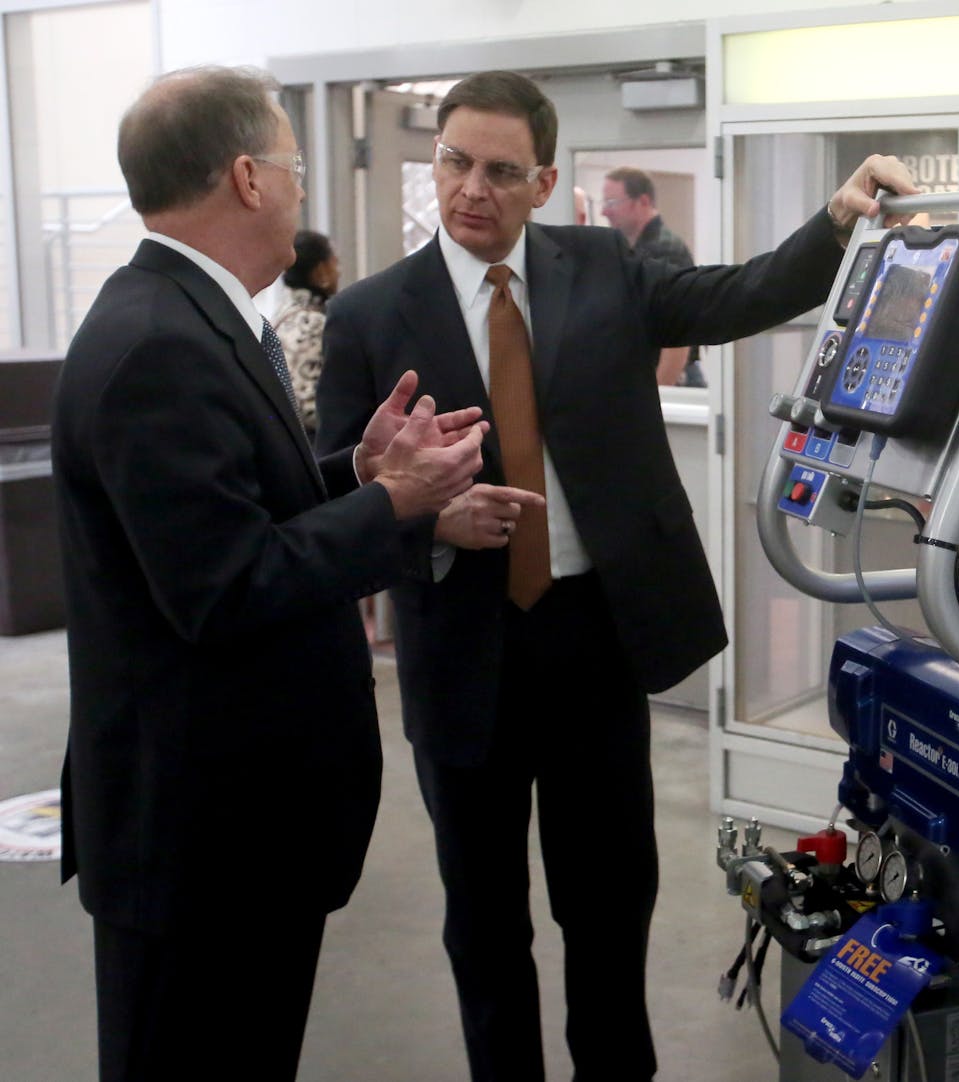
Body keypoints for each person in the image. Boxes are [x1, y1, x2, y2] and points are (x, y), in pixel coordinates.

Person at [316, 68, 915, 1082]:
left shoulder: (602, 268)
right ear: (436, 159)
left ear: (543, 183)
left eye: (501, 171)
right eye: (457, 160)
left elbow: (738, 293)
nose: (473, 187)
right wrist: (427, 521)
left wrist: (834, 221)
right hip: (461, 646)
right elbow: (338, 490)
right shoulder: (373, 314)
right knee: (485, 918)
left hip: (591, 639)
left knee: (606, 904)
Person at [51, 66, 488, 1082]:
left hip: (235, 826)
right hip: (200, 838)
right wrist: (395, 504)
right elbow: (225, 585)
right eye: (293, 166)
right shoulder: (157, 343)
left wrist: (357, 470)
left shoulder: (201, 318)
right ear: (246, 176)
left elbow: (237, 505)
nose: (301, 190)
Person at [600, 165, 702, 387]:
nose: (604, 212)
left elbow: (676, 340)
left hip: (670, 381)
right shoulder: (638, 249)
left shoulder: (663, 251)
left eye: (612, 203)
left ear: (643, 202)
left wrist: (659, 398)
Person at [273, 228, 340, 435]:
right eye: (335, 262)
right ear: (321, 272)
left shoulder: (282, 313)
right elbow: (305, 404)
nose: (339, 271)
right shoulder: (314, 322)